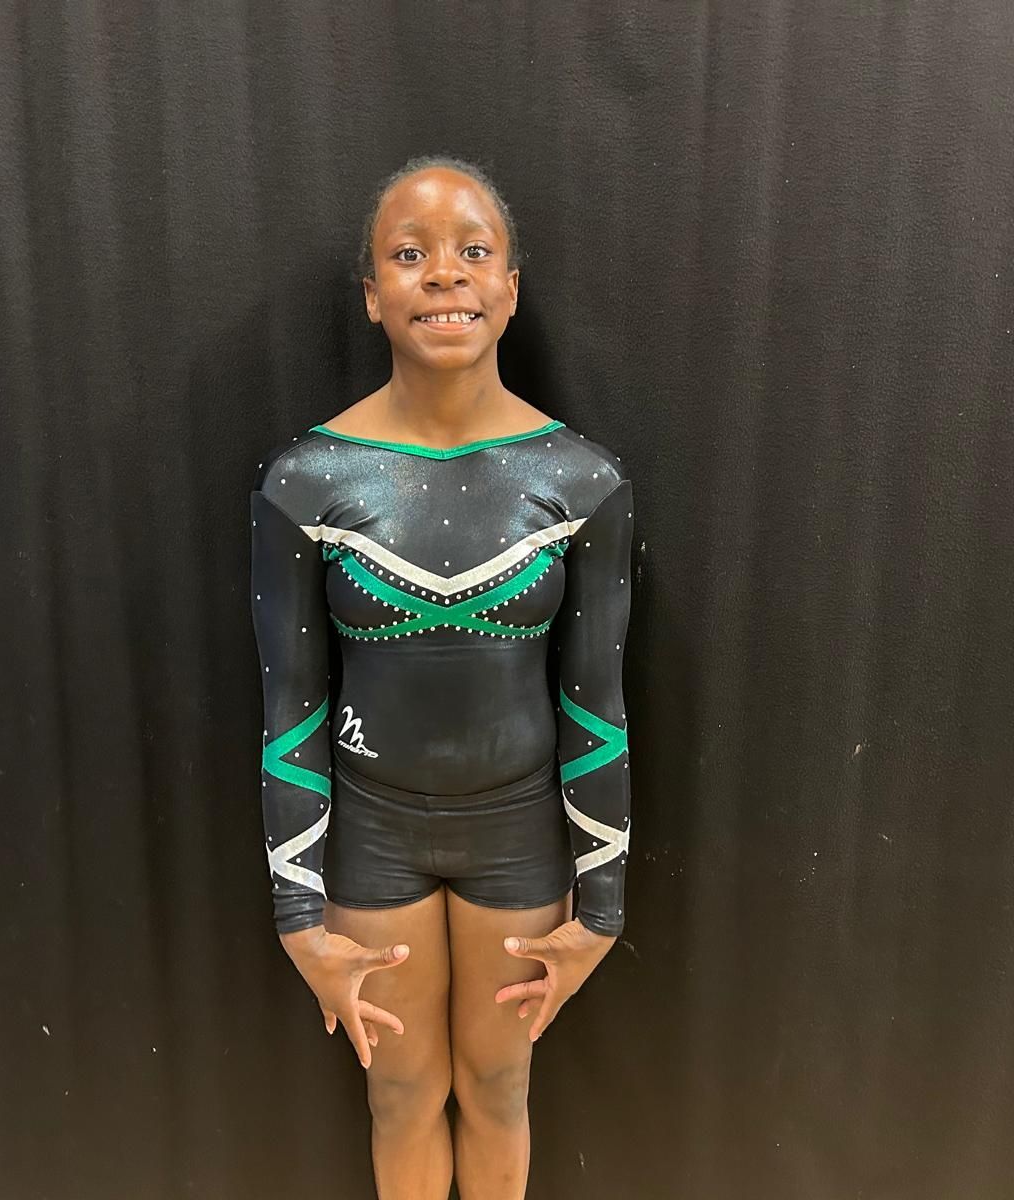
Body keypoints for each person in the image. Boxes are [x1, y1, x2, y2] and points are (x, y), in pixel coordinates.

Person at [248, 154, 634, 1199]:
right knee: (402, 1093)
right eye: (409, 255)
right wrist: (296, 915)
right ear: (373, 295)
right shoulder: (305, 481)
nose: (444, 274)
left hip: (520, 828)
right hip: (374, 831)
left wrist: (603, 905)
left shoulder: (580, 480)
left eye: (473, 252)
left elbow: (596, 702)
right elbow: (290, 704)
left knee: (499, 1087)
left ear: (509, 288)